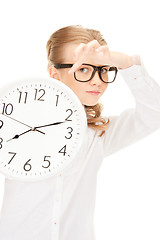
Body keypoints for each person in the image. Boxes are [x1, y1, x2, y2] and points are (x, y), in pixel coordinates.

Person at [0, 25, 160, 240]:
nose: (97, 80)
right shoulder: (12, 122)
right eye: (83, 69)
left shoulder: (98, 134)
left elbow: (154, 114)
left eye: (103, 69)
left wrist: (125, 63)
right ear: (54, 75)